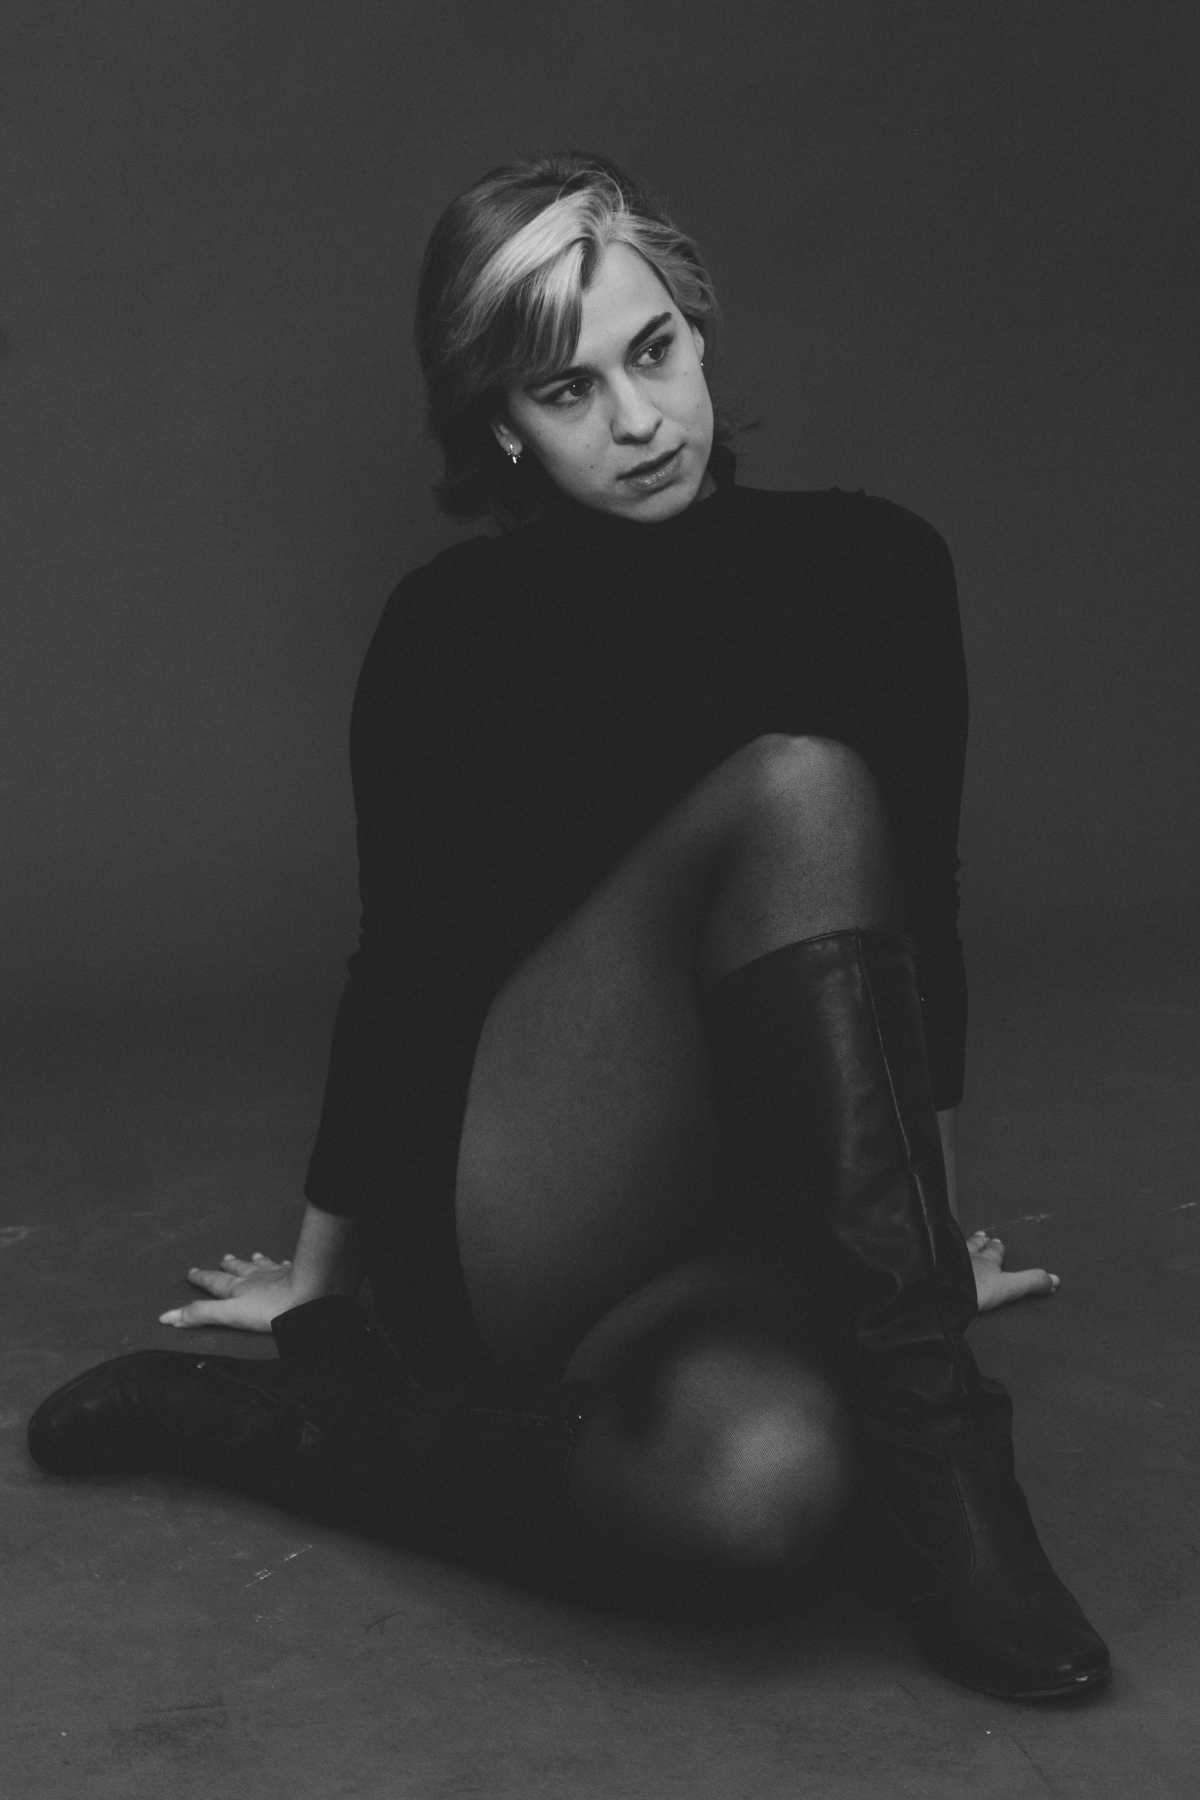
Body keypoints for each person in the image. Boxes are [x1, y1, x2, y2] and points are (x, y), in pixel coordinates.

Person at [29, 152, 1109, 1699]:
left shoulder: (878, 568)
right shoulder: (449, 631)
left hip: (761, 1208)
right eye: (567, 390)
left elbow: (911, 928)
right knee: (801, 793)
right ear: (502, 426)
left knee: (759, 1494)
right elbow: (402, 968)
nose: (639, 419)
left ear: (699, 327)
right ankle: (954, 1469)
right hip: (538, 1203)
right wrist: (320, 1278)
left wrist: (926, 1252)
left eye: (654, 351)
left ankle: (304, 1440)